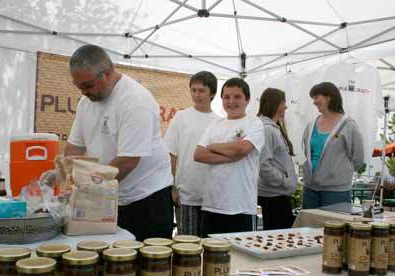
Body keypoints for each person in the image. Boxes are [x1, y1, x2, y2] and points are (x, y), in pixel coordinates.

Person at [65, 44, 174, 240]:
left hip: (147, 199)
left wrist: (87, 190)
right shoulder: (86, 103)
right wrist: (64, 174)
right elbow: (74, 147)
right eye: (78, 86)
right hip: (111, 194)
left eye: (88, 86)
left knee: (146, 265)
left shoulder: (135, 101)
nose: (83, 92)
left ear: (106, 73)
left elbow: (128, 161)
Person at [194, 78, 264, 237]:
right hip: (212, 205)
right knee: (211, 257)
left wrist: (213, 147)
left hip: (242, 207)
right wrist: (231, 155)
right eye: (226, 97)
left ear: (247, 99)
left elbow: (242, 149)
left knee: (242, 259)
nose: (231, 101)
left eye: (237, 96)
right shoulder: (215, 125)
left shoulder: (254, 123)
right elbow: (198, 154)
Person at [164, 71, 220, 236]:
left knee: (209, 243)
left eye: (201, 90)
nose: (196, 94)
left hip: (212, 196)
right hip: (186, 194)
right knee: (187, 245)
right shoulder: (181, 117)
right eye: (193, 90)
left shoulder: (219, 122)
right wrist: (172, 187)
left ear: (213, 94)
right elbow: (170, 154)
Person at [302, 82, 365, 209]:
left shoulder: (349, 125)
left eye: (316, 97)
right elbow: (307, 152)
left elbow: (358, 158)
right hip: (310, 189)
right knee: (309, 227)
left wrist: (337, 172)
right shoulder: (311, 125)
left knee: (334, 227)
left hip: (336, 191)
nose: (314, 102)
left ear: (328, 97)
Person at [257, 88, 297, 230]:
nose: (286, 106)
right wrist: (283, 181)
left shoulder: (273, 128)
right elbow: (263, 165)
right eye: (283, 102)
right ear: (275, 104)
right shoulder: (267, 129)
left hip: (277, 195)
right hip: (273, 197)